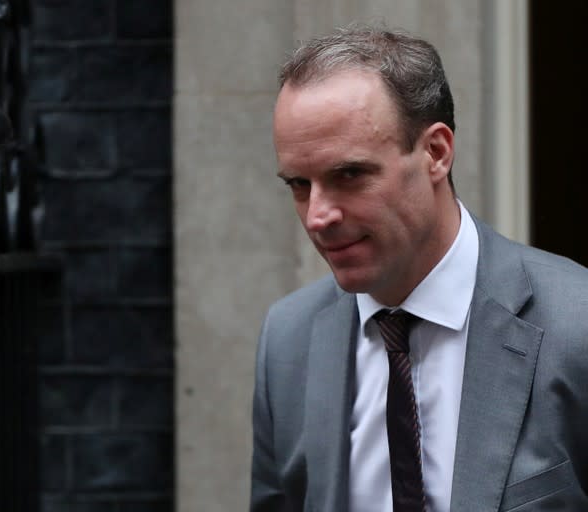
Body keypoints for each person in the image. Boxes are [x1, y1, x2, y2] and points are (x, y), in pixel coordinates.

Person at [250, 23, 588, 512]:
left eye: (349, 175)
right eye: (299, 185)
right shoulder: (289, 338)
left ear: (436, 153)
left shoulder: (574, 325)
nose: (318, 215)